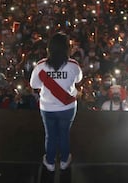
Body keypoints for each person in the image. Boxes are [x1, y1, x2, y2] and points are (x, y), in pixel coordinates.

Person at [30, 32, 83, 172]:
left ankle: (50, 162)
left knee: (50, 135)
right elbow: (78, 80)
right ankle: (65, 161)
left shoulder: (41, 66)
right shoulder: (73, 65)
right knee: (64, 134)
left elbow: (34, 85)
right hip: (68, 106)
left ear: (49, 48)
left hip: (47, 107)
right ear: (67, 49)